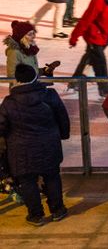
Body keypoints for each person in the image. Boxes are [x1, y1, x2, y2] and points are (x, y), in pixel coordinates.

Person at [0, 64, 70, 226]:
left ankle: (35, 215)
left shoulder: (9, 102)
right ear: (35, 78)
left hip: (21, 150)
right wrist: (63, 134)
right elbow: (62, 117)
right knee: (52, 176)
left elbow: (1, 126)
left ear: (17, 80)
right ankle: (57, 209)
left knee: (27, 181)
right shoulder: (50, 95)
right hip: (48, 145)